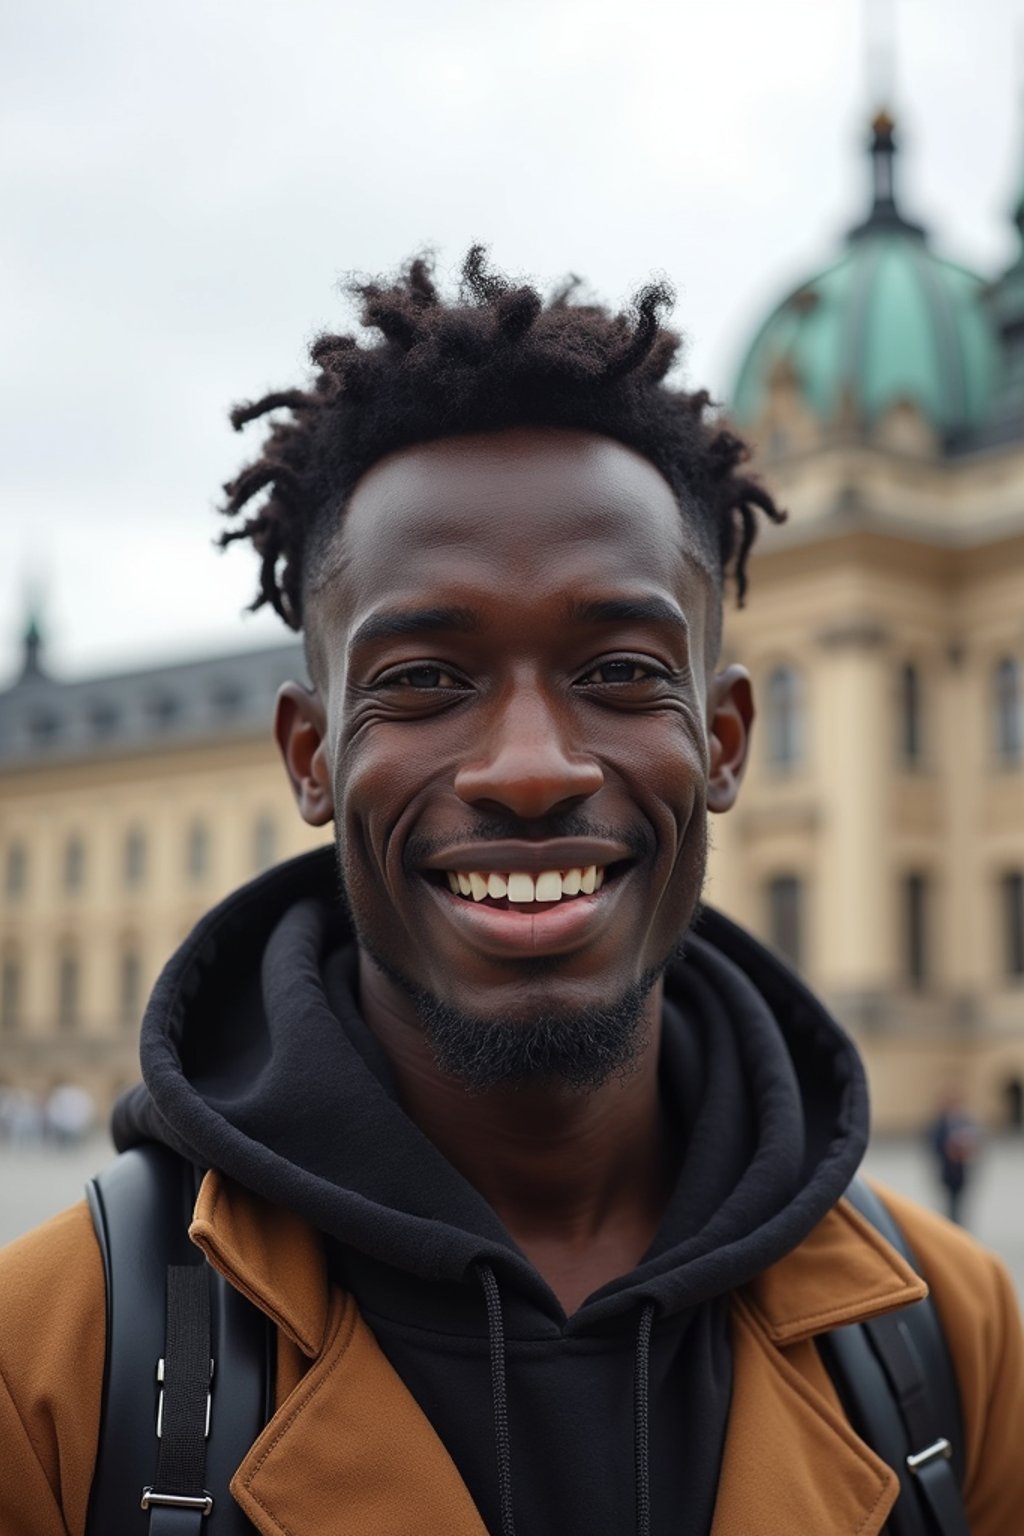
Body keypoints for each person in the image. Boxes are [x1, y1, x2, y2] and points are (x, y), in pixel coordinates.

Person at [1, 250, 1022, 1536]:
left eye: (618, 671)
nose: (532, 769)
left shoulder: (956, 1340)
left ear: (723, 739)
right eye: (426, 679)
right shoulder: (48, 1366)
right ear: (312, 757)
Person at [929, 1092, 982, 1226]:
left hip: (962, 1171)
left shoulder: (965, 1121)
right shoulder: (939, 1124)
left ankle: (957, 1226)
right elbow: (934, 1145)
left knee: (961, 1202)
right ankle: (952, 1226)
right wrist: (948, 1151)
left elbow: (978, 1141)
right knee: (950, 1202)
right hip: (947, 1170)